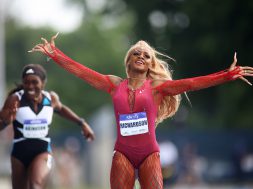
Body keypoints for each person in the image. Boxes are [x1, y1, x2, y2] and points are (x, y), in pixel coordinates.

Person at [29, 33, 253, 189]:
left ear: (149, 65)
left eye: (146, 56)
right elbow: (82, 72)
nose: (141, 57)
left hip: (149, 155)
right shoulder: (114, 84)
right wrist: (55, 54)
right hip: (122, 154)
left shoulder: (157, 87)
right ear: (129, 61)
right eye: (137, 53)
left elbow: (192, 83)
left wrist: (226, 75)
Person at [0, 64, 95, 189]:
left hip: (43, 151)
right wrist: (6, 122)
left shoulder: (51, 99)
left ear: (43, 83)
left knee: (36, 185)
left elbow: (61, 109)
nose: (30, 86)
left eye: (35, 82)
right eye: (26, 82)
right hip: (19, 154)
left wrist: (82, 123)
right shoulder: (15, 100)